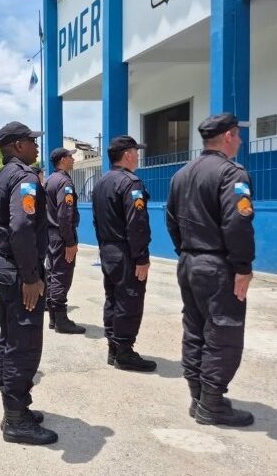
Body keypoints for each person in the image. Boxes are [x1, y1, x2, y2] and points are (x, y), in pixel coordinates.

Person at [167, 113, 255, 427]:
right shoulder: (232, 174)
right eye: (238, 135)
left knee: (195, 330)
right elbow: (238, 223)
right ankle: (212, 404)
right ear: (229, 136)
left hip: (190, 262)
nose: (241, 141)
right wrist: (242, 267)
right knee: (223, 332)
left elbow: (171, 220)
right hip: (218, 266)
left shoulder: (182, 174)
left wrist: (187, 252)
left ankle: (198, 396)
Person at [0, 121, 57, 445]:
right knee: (24, 344)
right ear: (17, 146)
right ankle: (16, 420)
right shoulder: (24, 178)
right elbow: (22, 228)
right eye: (31, 141)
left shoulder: (0, 178)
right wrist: (30, 277)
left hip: (5, 266)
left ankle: (15, 409)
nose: (36, 145)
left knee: (10, 338)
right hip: (18, 272)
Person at [92, 136, 156, 372]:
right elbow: (136, 223)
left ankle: (114, 347)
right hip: (126, 251)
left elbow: (97, 220)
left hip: (108, 250)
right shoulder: (131, 183)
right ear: (127, 154)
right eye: (135, 152)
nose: (138, 156)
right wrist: (141, 257)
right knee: (129, 300)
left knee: (113, 298)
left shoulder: (101, 182)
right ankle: (125, 352)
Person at [44, 148, 85, 334]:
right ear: (62, 160)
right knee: (62, 275)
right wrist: (70, 242)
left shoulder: (49, 180)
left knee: (53, 273)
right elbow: (65, 214)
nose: (73, 159)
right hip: (62, 236)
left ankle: (54, 318)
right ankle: (61, 320)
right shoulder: (64, 182)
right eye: (70, 156)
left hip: (50, 235)